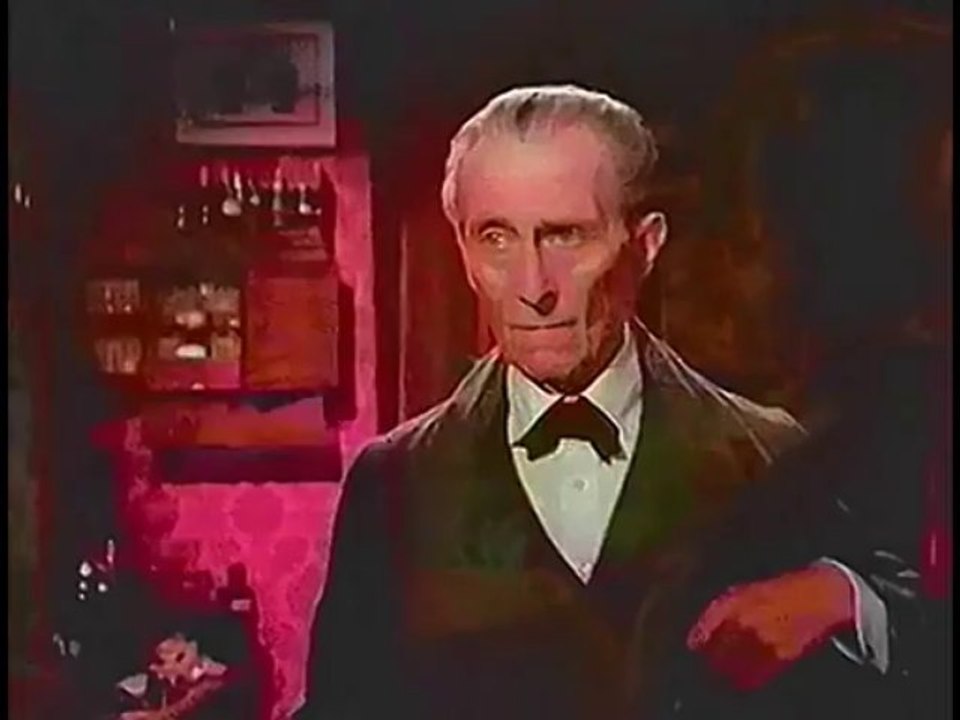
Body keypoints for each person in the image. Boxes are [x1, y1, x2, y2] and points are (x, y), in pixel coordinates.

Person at [296, 85, 893, 719]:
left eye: (565, 237)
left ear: (645, 244)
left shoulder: (770, 458)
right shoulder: (391, 482)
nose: (532, 288)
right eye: (496, 238)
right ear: (463, 251)